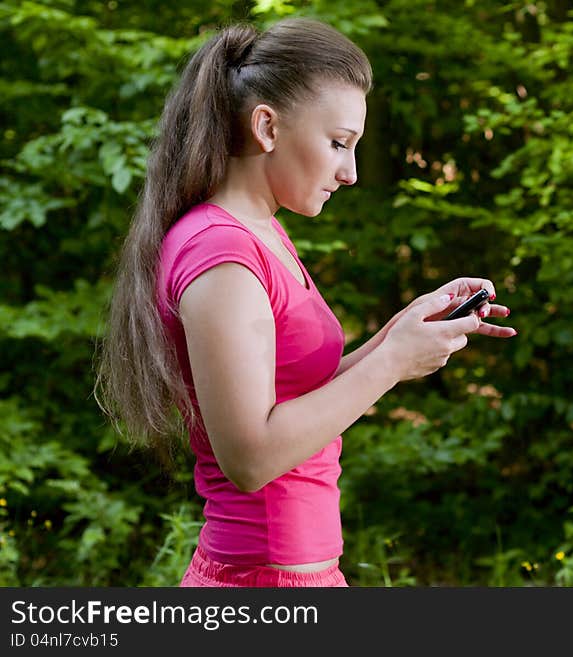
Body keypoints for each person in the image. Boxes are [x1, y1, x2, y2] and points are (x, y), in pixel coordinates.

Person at [94, 16, 515, 588]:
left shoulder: (259, 232)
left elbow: (296, 393)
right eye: (338, 143)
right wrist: (393, 363)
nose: (351, 172)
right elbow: (251, 457)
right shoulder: (222, 255)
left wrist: (401, 333)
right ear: (266, 126)